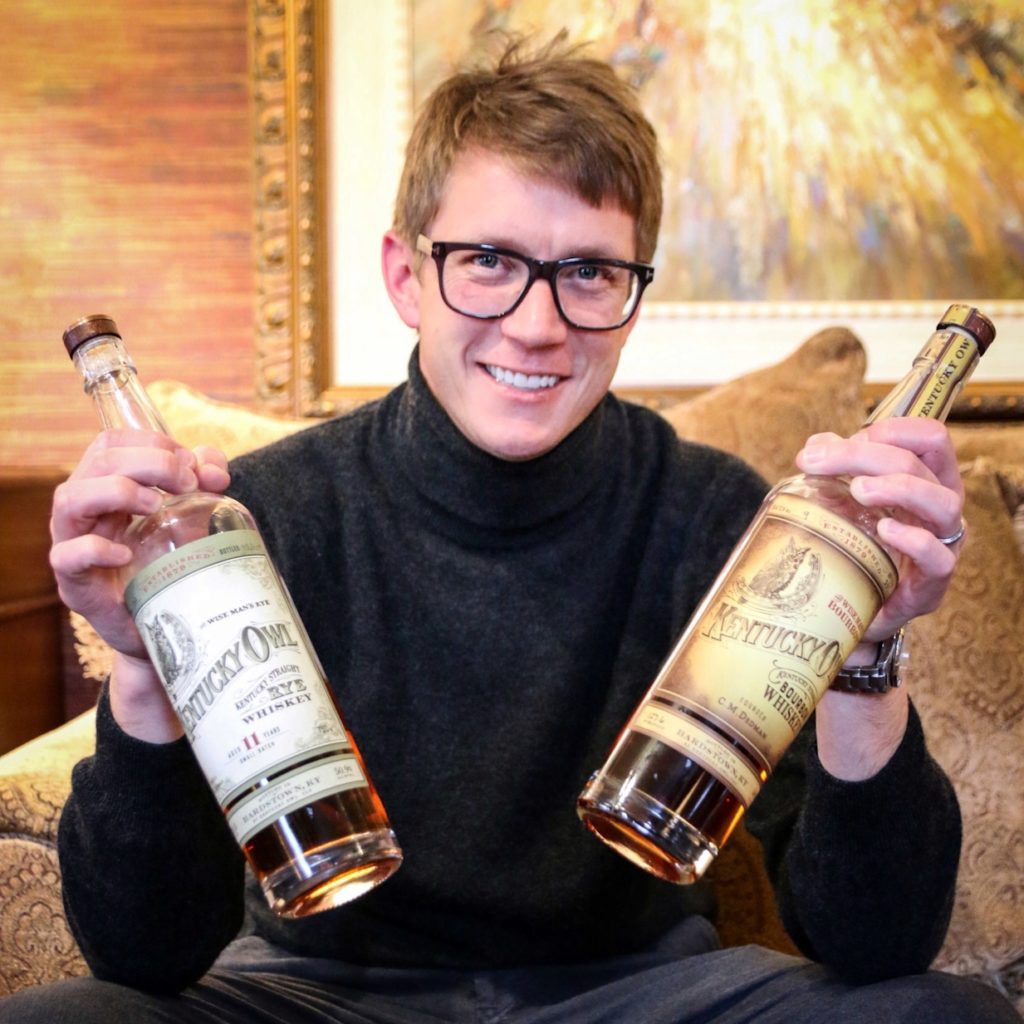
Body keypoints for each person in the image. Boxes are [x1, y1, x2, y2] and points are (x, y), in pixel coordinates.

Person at [3, 34, 1016, 1024]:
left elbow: (878, 946)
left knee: (943, 1012)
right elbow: (144, 954)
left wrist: (866, 651)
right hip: (320, 990)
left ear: (632, 296)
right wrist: (143, 668)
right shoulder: (255, 522)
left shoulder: (718, 514)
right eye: (488, 260)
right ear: (405, 275)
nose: (538, 324)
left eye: (588, 272)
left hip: (638, 989)